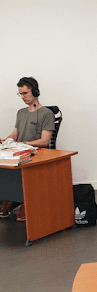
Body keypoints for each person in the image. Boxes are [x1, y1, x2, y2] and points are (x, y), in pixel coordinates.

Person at [0, 77, 55, 221]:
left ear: (35, 92)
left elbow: (44, 141)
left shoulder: (46, 113)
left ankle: (23, 201)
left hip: (36, 153)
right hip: (20, 151)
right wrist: (6, 141)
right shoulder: (21, 112)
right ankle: (10, 198)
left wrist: (23, 143)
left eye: (25, 93)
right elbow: (14, 134)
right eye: (20, 94)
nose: (23, 97)